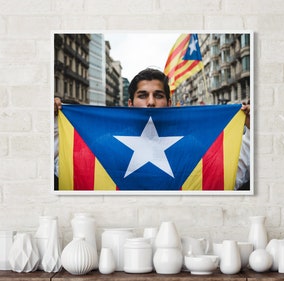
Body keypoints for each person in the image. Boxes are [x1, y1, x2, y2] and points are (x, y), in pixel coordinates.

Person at [54, 68, 250, 190]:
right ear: (130, 103)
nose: (150, 102)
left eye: (158, 95)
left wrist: (251, 127)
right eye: (142, 95)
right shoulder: (104, 144)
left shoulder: (192, 145)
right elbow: (65, 168)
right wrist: (55, 122)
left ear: (168, 102)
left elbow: (229, 176)